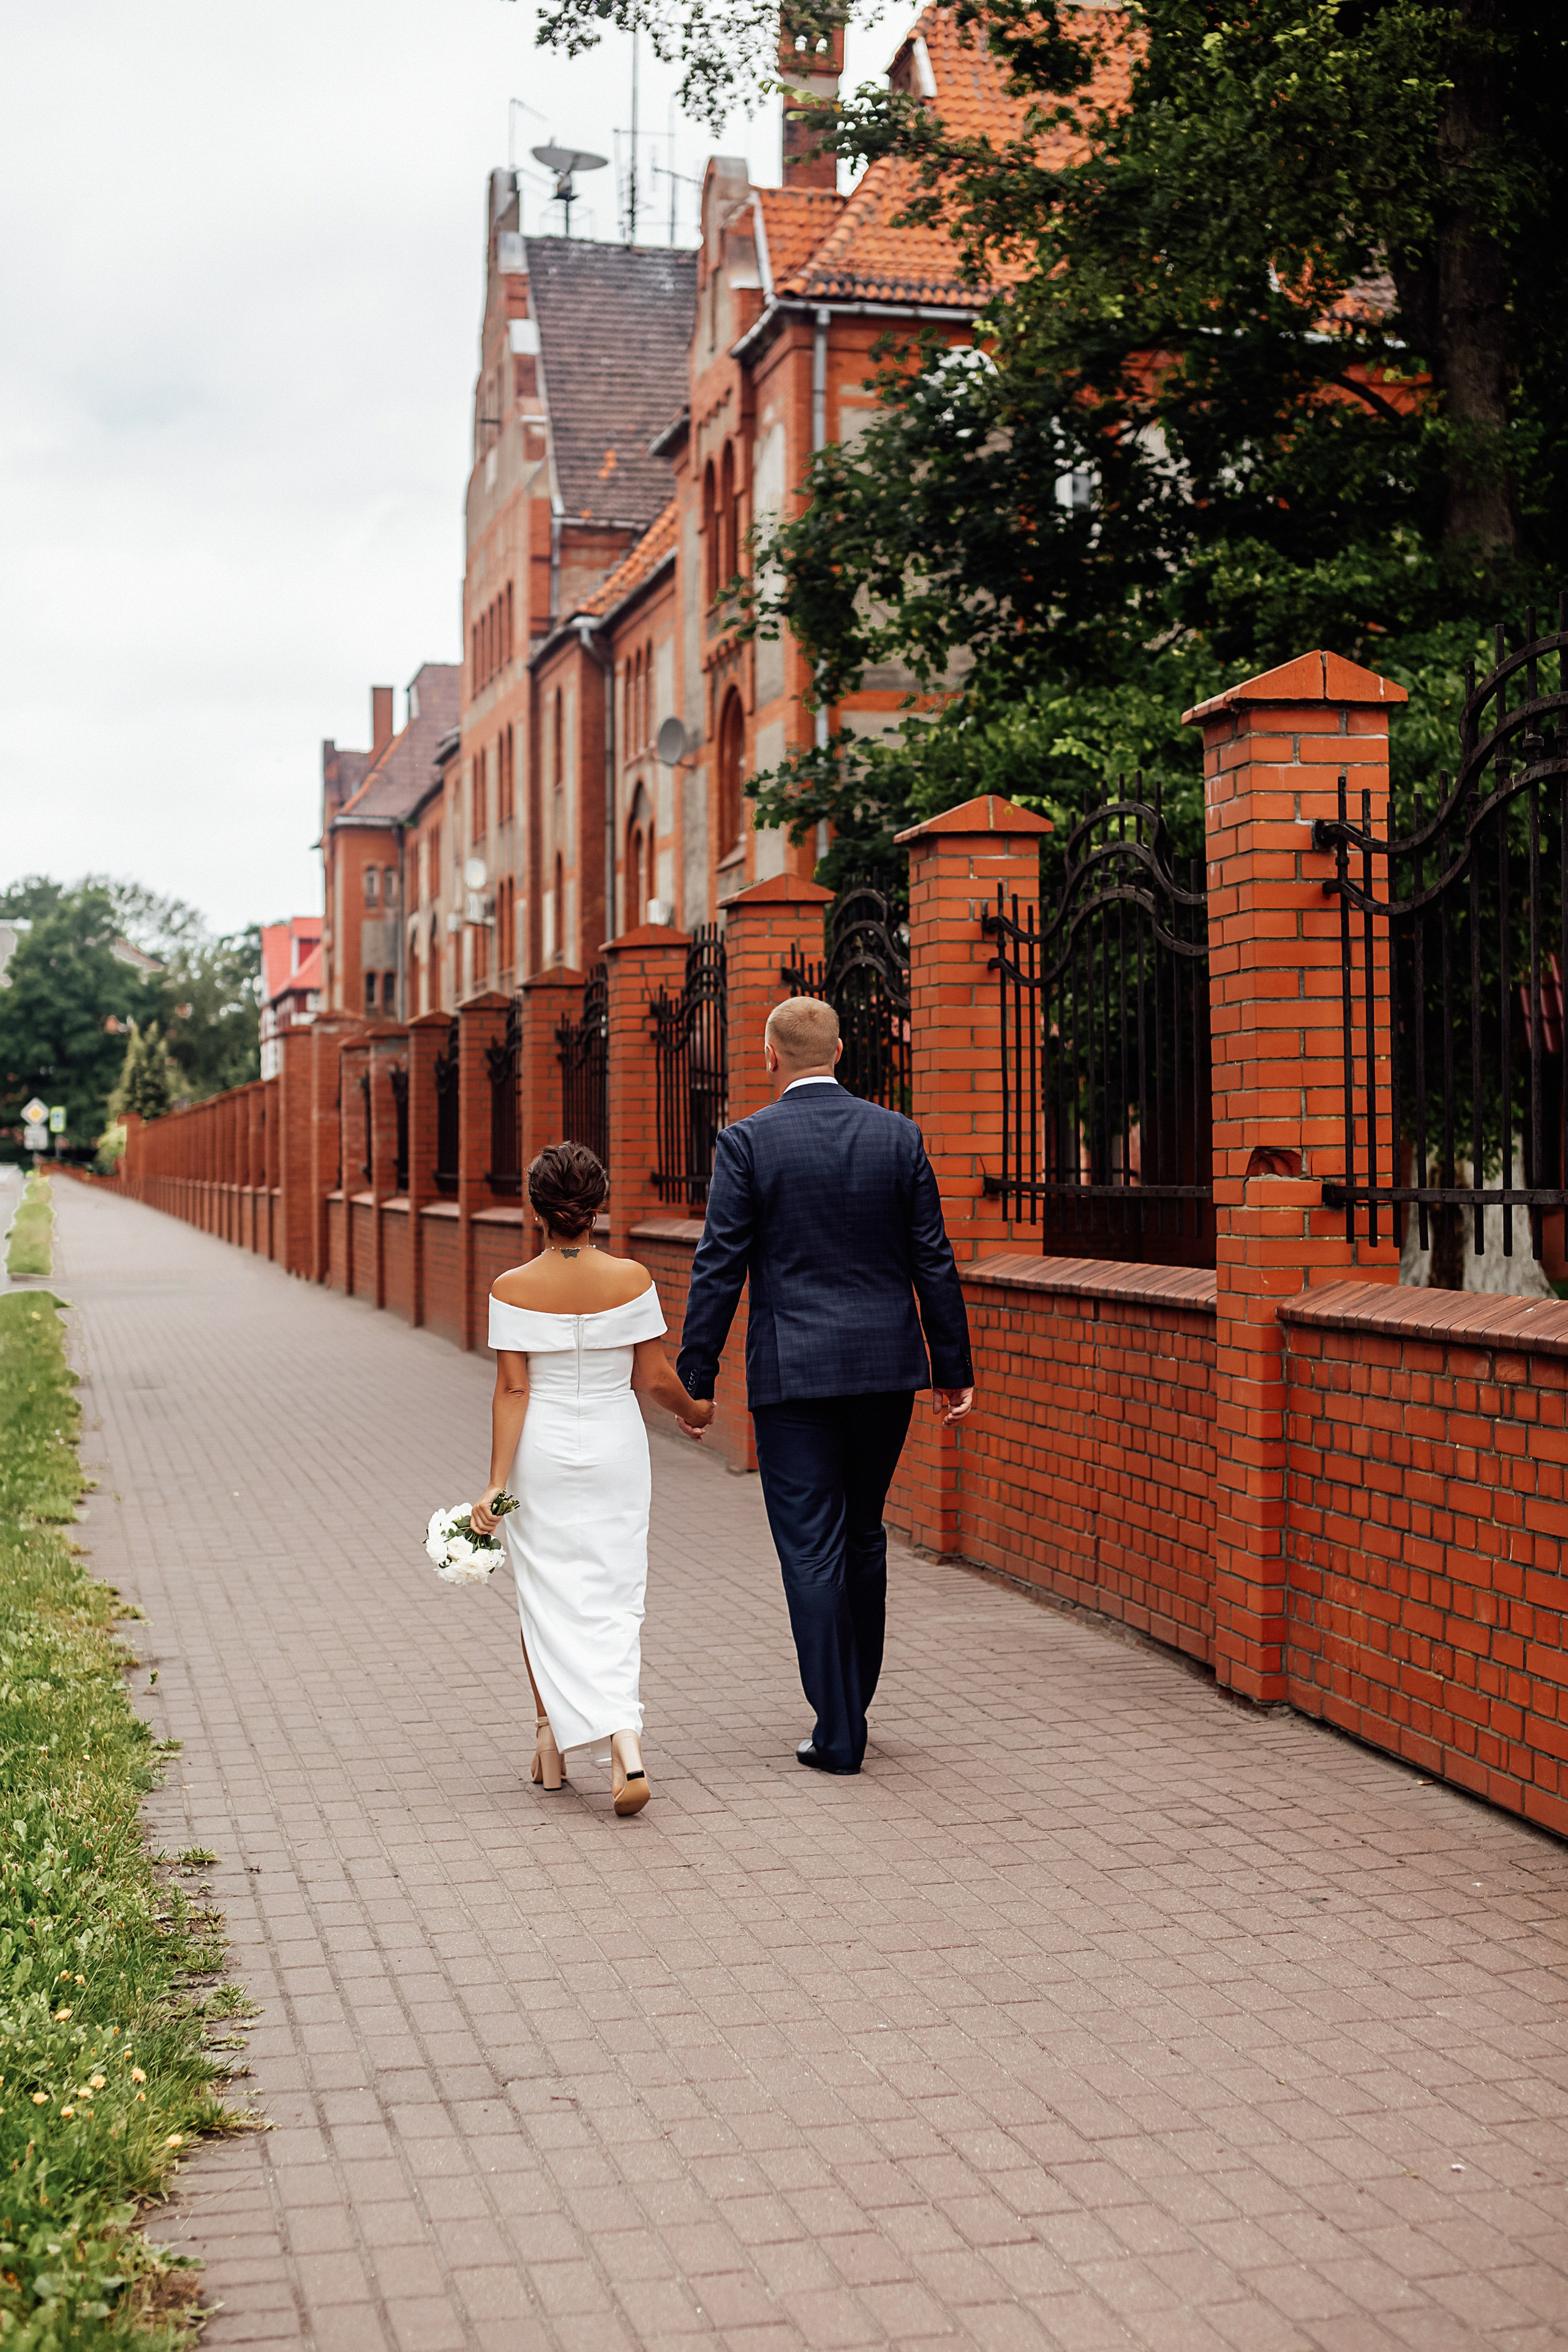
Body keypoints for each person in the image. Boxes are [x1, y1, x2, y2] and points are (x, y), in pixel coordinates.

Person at [676, 998, 974, 1775]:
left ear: (770, 1056)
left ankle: (837, 1727)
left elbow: (720, 1265)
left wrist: (695, 1378)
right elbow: (932, 1259)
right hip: (884, 1374)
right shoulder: (898, 1135)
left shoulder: (746, 1143)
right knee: (865, 1533)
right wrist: (952, 1369)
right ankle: (854, 1705)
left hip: (794, 1379)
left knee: (810, 1549)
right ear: (839, 1051)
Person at [470, 1142, 714, 1815]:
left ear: (536, 1209)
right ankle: (624, 1746)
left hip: (542, 1448)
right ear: (598, 1205)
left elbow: (514, 1390)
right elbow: (654, 1377)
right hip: (614, 1444)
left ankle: (551, 1739)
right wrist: (697, 1411)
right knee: (613, 1591)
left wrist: (495, 1482)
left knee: (546, 1594)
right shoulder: (632, 1278)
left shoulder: (511, 1288)